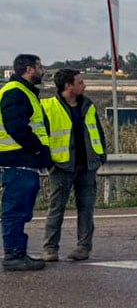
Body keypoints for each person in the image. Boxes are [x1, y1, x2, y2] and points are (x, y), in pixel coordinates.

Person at [41, 68, 107, 262]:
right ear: (68, 86)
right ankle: (50, 248)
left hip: (87, 165)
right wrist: (48, 162)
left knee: (86, 208)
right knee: (56, 208)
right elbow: (41, 135)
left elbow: (98, 131)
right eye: (80, 82)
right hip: (61, 166)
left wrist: (101, 155)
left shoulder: (88, 105)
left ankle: (83, 247)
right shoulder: (49, 107)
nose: (84, 85)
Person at [1, 53, 52, 271]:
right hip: (17, 159)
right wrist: (39, 150)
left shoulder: (22, 91)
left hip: (20, 160)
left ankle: (17, 252)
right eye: (40, 67)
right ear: (30, 69)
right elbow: (18, 128)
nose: (43, 71)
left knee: (20, 209)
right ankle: (13, 255)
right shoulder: (16, 92)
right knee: (15, 209)